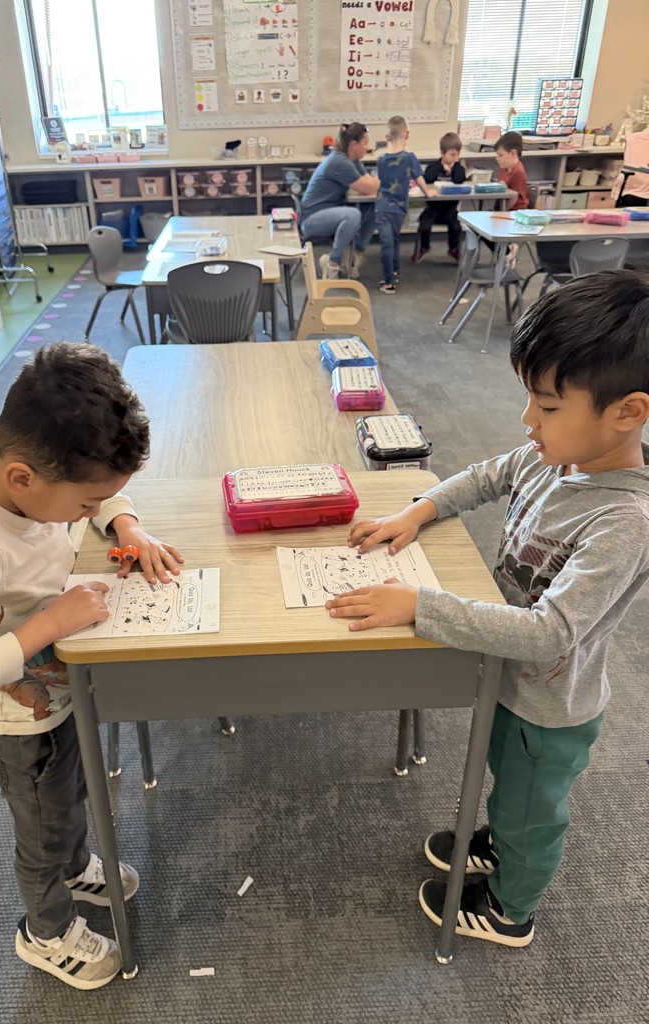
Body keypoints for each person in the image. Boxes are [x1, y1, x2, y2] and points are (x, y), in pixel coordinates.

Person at [325, 271, 649, 948]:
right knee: (505, 771)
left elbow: (549, 633)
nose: (528, 422)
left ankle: (512, 905)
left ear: (627, 412)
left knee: (535, 806)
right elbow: (489, 474)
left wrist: (420, 605)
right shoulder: (553, 455)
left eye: (548, 407)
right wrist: (419, 509)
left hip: (551, 702)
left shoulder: (624, 521)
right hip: (509, 678)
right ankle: (498, 834)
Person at [0, 342, 184, 989]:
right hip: (17, 728)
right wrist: (48, 625)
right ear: (23, 479)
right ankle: (46, 931)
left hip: (65, 697)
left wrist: (127, 523)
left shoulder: (38, 487)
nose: (90, 515)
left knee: (73, 797)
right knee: (42, 829)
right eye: (87, 506)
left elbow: (95, 491)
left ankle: (76, 865)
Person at [299, 121, 379, 280]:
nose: (367, 147)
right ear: (353, 144)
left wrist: (375, 182)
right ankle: (332, 263)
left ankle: (355, 256)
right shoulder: (339, 161)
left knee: (373, 207)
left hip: (328, 212)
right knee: (353, 215)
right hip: (312, 219)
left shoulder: (353, 160)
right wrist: (384, 176)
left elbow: (370, 184)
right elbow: (369, 187)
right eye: (365, 143)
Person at [376, 116, 436, 294]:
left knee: (387, 243)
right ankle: (393, 273)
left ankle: (389, 280)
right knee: (394, 241)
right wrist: (428, 193)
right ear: (407, 134)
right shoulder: (410, 158)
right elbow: (419, 179)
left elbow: (378, 182)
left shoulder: (381, 159)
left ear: (387, 136)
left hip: (381, 207)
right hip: (399, 209)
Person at [413, 131, 465, 262]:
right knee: (424, 225)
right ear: (442, 154)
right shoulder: (434, 167)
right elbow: (427, 178)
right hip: (433, 208)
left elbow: (459, 180)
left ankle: (453, 249)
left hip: (450, 209)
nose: (455, 158)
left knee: (455, 227)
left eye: (457, 154)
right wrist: (441, 167)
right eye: (452, 155)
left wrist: (454, 167)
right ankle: (424, 247)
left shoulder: (458, 168)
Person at [494, 130, 529, 211]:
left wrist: (500, 212)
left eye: (501, 155)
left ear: (513, 153)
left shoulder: (518, 172)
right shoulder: (503, 168)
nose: (497, 158)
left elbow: (514, 198)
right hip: (503, 207)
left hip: (515, 211)